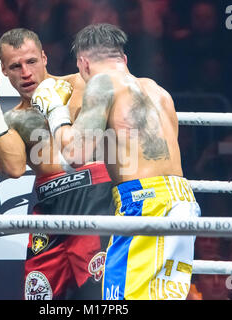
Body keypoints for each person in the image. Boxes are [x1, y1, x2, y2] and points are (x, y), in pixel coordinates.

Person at [35, 23, 201, 300]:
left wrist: (55, 110)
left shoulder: (101, 83)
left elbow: (76, 154)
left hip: (145, 203)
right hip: (182, 201)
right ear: (123, 59)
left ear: (83, 64)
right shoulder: (157, 90)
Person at [0, 28, 114, 300]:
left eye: (31, 61)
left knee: (97, 295)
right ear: (4, 71)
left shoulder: (81, 85)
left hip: (92, 196)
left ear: (45, 58)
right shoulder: (11, 120)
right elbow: (11, 169)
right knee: (40, 294)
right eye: (15, 66)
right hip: (48, 207)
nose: (25, 72)